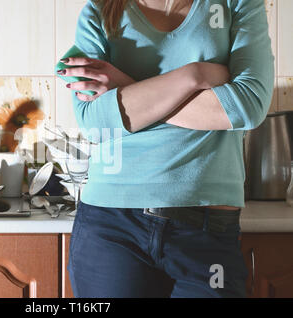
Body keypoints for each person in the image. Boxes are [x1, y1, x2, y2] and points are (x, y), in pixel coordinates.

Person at [60, 0, 274, 297]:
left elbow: (247, 106)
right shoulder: (100, 9)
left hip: (207, 230)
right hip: (111, 225)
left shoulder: (237, 4)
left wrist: (126, 88)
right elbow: (95, 122)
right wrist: (194, 76)